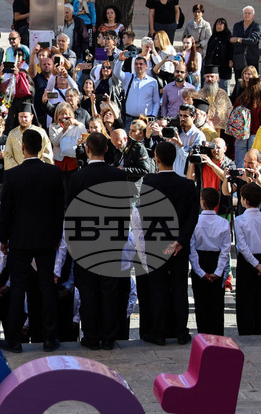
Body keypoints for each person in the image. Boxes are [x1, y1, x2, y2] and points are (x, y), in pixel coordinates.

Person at [0, 128, 64, 352]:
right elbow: (59, 209)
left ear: (22, 147)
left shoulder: (13, 175)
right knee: (46, 287)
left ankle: (14, 339)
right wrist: (56, 236)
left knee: (18, 288)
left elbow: (6, 210)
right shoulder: (53, 173)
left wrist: (3, 239)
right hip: (46, 238)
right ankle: (48, 337)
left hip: (20, 238)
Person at [67, 132, 129, 350]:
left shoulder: (77, 177)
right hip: (111, 242)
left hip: (86, 243)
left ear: (87, 150)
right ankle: (108, 336)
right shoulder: (118, 175)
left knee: (88, 291)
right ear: (105, 150)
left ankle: (92, 335)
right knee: (110, 291)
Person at [139, 141, 197, 345]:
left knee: (158, 289)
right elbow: (192, 216)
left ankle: (159, 332)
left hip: (156, 244)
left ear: (157, 158)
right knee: (180, 288)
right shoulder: (188, 185)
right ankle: (181, 331)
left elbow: (145, 216)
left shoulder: (149, 184)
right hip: (179, 246)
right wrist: (179, 241)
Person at [189, 186, 230, 336]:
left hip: (200, 260)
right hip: (216, 260)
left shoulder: (195, 221)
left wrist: (199, 271)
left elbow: (191, 249)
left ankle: (203, 335)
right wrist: (219, 271)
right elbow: (225, 251)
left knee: (201, 303)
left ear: (202, 202)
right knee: (217, 303)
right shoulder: (224, 223)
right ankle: (218, 335)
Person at [235, 182, 261, 334]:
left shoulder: (240, 220)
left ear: (244, 200)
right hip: (258, 259)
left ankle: (246, 329)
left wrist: (256, 265)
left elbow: (242, 246)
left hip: (247, 261)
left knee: (246, 298)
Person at [4, 103, 53, 169]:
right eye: (21, 117)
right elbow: (8, 155)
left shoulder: (41, 132)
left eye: (25, 117)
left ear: (32, 116)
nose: (23, 120)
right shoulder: (12, 134)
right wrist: (18, 169)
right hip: (18, 173)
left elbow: (47, 153)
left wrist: (38, 167)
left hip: (38, 171)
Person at [113, 54, 160, 122]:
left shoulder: (153, 82)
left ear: (146, 66)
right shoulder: (128, 77)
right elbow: (117, 73)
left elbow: (156, 101)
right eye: (136, 64)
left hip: (146, 119)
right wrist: (120, 60)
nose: (138, 66)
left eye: (141, 64)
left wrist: (153, 115)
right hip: (129, 119)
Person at [231, 6, 260, 80]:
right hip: (239, 58)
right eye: (245, 13)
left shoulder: (256, 27)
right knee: (239, 81)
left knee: (253, 81)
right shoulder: (237, 25)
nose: (247, 15)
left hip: (252, 58)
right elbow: (233, 42)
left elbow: (253, 41)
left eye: (249, 13)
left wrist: (239, 39)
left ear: (253, 15)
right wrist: (245, 40)